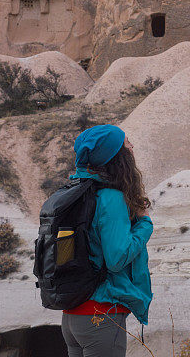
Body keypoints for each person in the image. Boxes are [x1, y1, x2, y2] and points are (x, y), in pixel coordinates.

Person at [60, 124, 153, 357]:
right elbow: (117, 258)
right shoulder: (111, 198)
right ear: (116, 157)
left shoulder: (76, 195)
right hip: (100, 315)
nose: (132, 146)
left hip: (72, 315)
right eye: (127, 142)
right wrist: (144, 224)